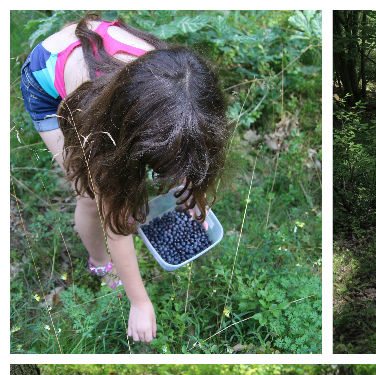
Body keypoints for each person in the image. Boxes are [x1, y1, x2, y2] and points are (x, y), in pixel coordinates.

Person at [20, 14, 229, 343]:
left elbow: (194, 154)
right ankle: (101, 264)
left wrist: (192, 195)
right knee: (90, 196)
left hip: (98, 60)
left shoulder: (181, 93)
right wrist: (140, 302)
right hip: (46, 77)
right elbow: (116, 226)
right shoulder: (105, 128)